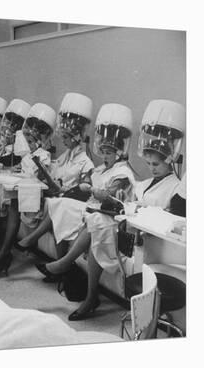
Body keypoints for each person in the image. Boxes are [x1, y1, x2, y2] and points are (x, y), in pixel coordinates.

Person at [69, 99, 186, 321]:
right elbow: (133, 200)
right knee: (98, 223)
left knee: (98, 224)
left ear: (170, 162)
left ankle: (87, 293)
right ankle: (88, 294)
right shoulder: (147, 183)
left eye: (156, 165)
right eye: (149, 164)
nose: (152, 169)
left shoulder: (173, 186)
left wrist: (140, 209)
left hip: (148, 239)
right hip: (130, 227)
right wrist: (125, 200)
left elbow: (166, 217)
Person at [26, 103, 136, 281]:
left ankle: (59, 261)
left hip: (107, 215)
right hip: (91, 207)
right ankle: (56, 260)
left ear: (119, 153)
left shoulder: (122, 173)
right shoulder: (100, 169)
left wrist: (90, 188)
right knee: (58, 204)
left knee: (68, 208)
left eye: (109, 153)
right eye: (104, 152)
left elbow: (107, 194)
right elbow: (84, 185)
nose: (105, 156)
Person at [0, 102, 57, 275]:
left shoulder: (43, 156)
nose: (28, 145)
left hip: (39, 195)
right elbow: (24, 169)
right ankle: (2, 249)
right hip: (26, 191)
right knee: (8, 201)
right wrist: (16, 171)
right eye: (27, 141)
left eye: (30, 142)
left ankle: (4, 251)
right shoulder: (29, 155)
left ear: (40, 141)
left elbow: (42, 178)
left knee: (13, 204)